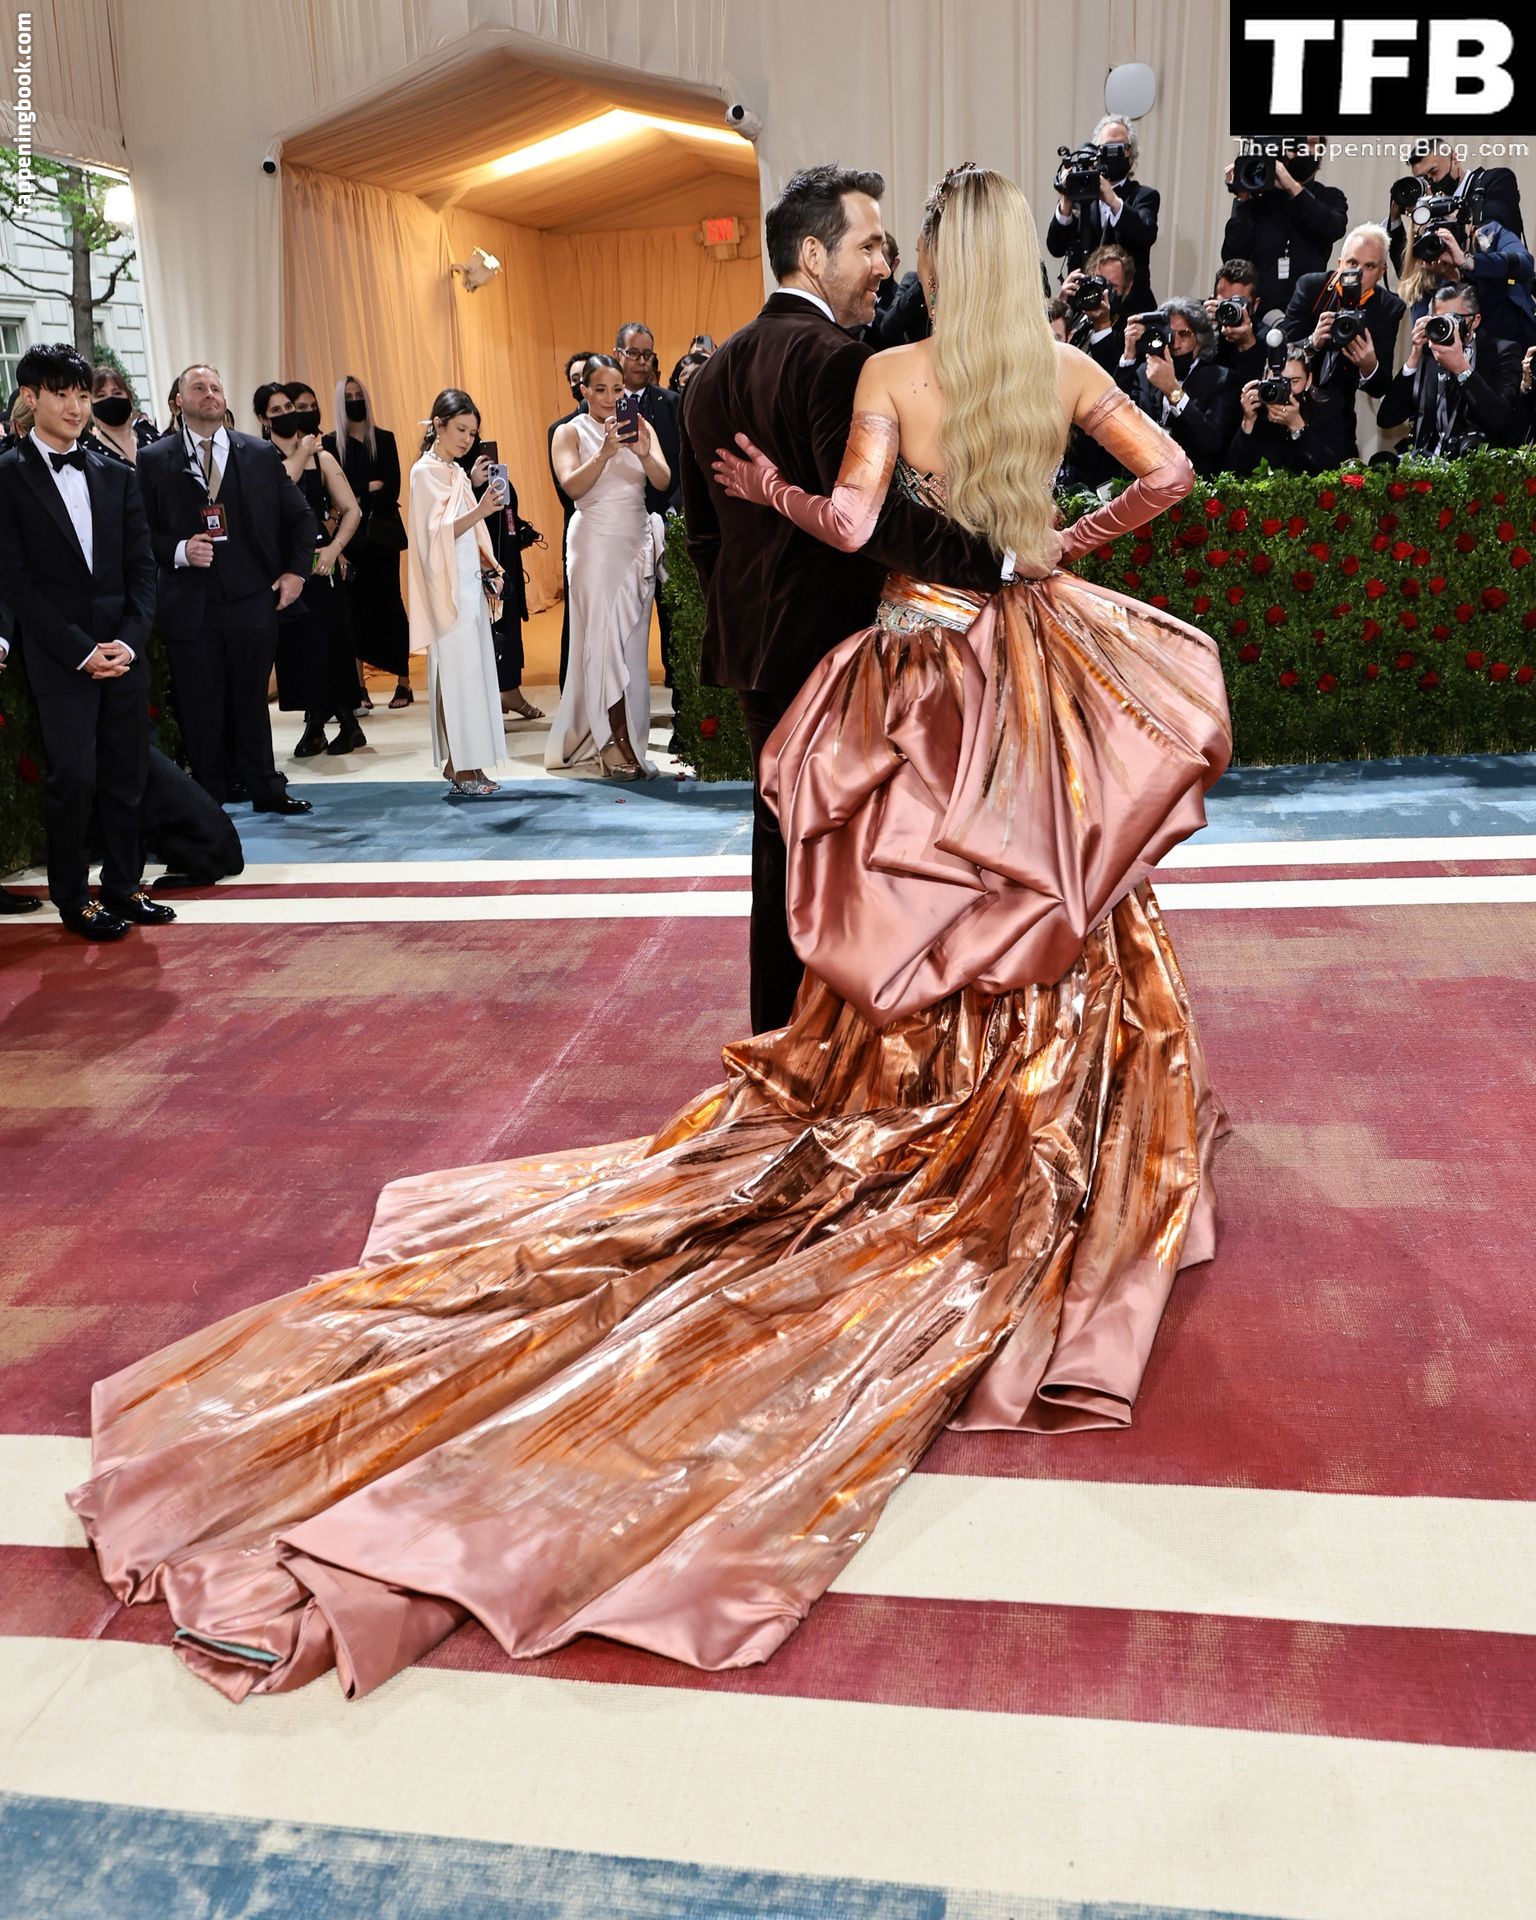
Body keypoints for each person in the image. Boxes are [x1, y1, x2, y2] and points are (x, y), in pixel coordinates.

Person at [66, 167, 1229, 1707]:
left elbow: (858, 525)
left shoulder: (890, 372)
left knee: (908, 896)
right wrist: (1062, 545)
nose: (892, 260)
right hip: (1036, 657)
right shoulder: (1066, 368)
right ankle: (1061, 1128)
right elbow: (1175, 476)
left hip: (915, 664)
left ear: (946, 265)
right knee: (1063, 889)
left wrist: (777, 500)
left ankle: (903, 1109)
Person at [0, 342, 171, 939]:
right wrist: (79, 650)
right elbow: (15, 582)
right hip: (60, 659)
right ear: (30, 397)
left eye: (82, 395)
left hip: (123, 654)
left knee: (128, 776)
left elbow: (142, 569)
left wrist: (129, 641)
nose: (76, 408)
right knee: (74, 779)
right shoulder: (7, 476)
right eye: (61, 395)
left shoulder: (116, 474)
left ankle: (124, 886)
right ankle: (73, 898)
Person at [136, 363, 315, 815]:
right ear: (179, 400)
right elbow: (138, 534)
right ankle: (207, 800)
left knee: (252, 701)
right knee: (199, 706)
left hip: (251, 600)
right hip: (188, 605)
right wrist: (179, 550)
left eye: (215, 387)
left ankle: (266, 788)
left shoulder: (258, 453)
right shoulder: (154, 459)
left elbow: (301, 518)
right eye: (199, 387)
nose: (210, 394)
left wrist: (296, 574)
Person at [546, 354, 669, 779]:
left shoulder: (641, 426)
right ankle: (609, 741)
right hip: (594, 546)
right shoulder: (568, 432)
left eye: (617, 389)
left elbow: (662, 480)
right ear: (583, 390)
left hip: (636, 544)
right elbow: (571, 486)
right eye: (599, 389)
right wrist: (604, 452)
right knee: (601, 643)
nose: (609, 397)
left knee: (631, 650)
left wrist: (644, 453)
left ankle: (631, 739)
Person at [406, 387, 509, 797]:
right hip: (446, 591)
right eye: (461, 429)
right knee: (454, 678)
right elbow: (433, 537)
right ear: (439, 425)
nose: (467, 439)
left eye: (472, 432)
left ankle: (467, 762)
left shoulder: (454, 471)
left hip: (468, 586)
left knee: (474, 677)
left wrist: (489, 569)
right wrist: (480, 508)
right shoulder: (423, 472)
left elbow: (470, 534)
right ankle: (460, 765)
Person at [259, 382, 364, 758]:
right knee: (297, 650)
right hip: (282, 570)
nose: (287, 415)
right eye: (276, 410)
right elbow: (279, 487)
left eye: (290, 407)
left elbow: (352, 509)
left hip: (320, 566)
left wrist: (335, 549)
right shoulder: (260, 459)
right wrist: (303, 450)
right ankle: (315, 723)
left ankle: (347, 724)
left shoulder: (322, 459)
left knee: (330, 644)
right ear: (263, 419)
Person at [325, 374, 412, 710]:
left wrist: (355, 492)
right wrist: (365, 488)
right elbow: (334, 493)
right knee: (353, 611)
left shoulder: (384, 439)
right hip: (348, 540)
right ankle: (359, 685)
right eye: (347, 397)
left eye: (358, 394)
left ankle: (404, 682)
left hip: (382, 536)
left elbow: (391, 488)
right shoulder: (332, 444)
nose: (354, 401)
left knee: (392, 604)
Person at [1280, 225, 1403, 463]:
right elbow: (1281, 353)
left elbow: (1380, 386)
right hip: (1291, 405)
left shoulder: (1389, 307)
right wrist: (1312, 342)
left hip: (1338, 419)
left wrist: (1369, 366)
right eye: (1352, 263)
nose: (1358, 273)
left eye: (1369, 266)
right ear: (1340, 264)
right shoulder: (1311, 287)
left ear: (1382, 272)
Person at [1375, 284, 1523, 455]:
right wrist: (1414, 356)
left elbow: (1500, 421)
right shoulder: (1428, 354)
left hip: (1472, 460)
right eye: (1439, 319)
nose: (1445, 326)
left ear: (1475, 320)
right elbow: (1387, 418)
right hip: (1423, 460)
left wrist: (1462, 369)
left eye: (1453, 319)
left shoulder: (1501, 352)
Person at [1221, 135, 1348, 318]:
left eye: (1312, 143)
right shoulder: (1260, 200)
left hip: (1308, 312)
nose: (1304, 149)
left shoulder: (1329, 197)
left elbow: (1333, 228)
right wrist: (1243, 199)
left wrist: (1291, 185)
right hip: (1260, 314)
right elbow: (1232, 257)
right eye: (1296, 143)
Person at [1046, 116, 1160, 309]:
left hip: (1128, 308)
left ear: (1131, 154)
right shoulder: (1081, 196)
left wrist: (1113, 200)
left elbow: (1145, 235)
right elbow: (1056, 247)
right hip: (1083, 305)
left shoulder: (1144, 196)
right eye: (1106, 147)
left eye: (1120, 147)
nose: (1112, 154)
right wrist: (1066, 198)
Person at [1117, 299, 1238, 479]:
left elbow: (1211, 442)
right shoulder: (1145, 371)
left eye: (1184, 334)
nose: (1175, 342)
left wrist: (1172, 390)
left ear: (1200, 340)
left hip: (1191, 482)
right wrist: (1129, 354)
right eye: (1169, 333)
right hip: (1139, 478)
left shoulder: (1221, 378)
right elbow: (1114, 413)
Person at [1388, 137, 1524, 278]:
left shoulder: (1493, 181)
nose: (1431, 182)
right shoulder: (1428, 209)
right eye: (1423, 179)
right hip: (1446, 291)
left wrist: (1443, 212)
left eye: (1434, 172)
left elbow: (1491, 241)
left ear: (1455, 159)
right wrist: (1395, 219)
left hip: (1495, 285)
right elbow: (1409, 276)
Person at [547, 349, 598, 690]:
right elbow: (566, 489)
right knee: (576, 615)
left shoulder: (626, 424)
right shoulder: (561, 430)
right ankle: (573, 687)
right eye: (574, 379)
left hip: (622, 532)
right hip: (581, 529)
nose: (580, 384)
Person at [1227, 347, 1336, 474]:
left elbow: (1335, 470)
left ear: (1308, 380)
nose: (1285, 390)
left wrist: (1298, 427)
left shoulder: (1327, 409)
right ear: (1264, 380)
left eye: (1294, 381)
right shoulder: (1256, 410)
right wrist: (1248, 422)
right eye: (1277, 382)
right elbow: (1231, 474)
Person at [1204, 258, 1271, 387]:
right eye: (1225, 303)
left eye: (1238, 303)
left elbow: (1258, 390)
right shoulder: (1203, 328)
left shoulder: (1268, 340)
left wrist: (1247, 345)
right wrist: (1203, 331)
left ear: (1255, 305)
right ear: (1212, 300)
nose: (1230, 310)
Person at [82, 365, 157, 467]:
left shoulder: (153, 438)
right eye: (101, 395)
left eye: (117, 393)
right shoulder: (88, 456)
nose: (111, 399)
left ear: (129, 397)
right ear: (91, 405)